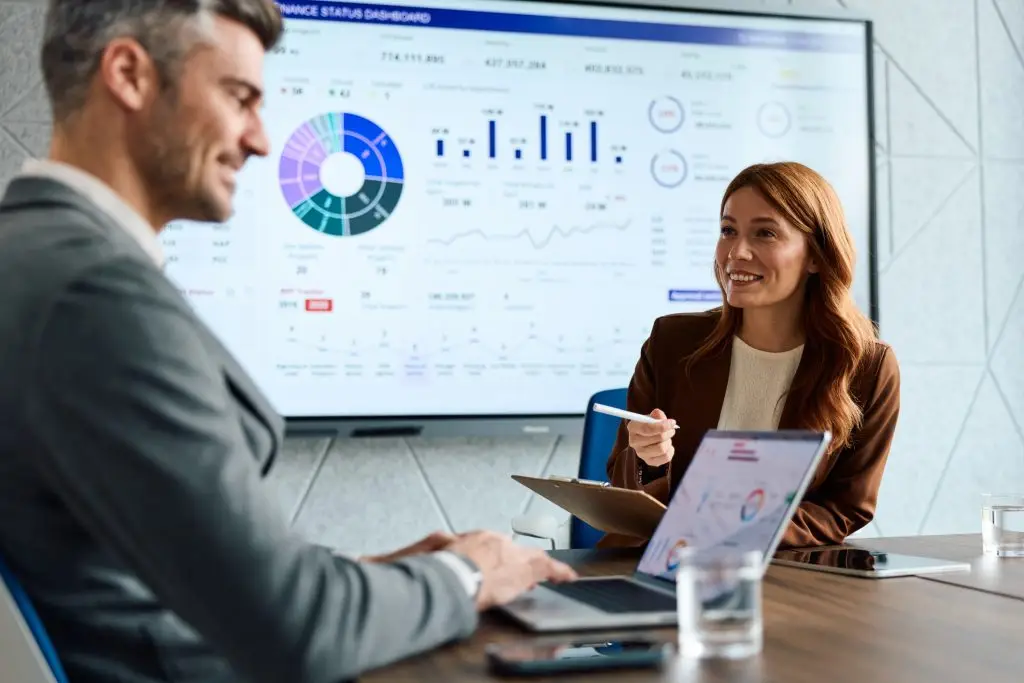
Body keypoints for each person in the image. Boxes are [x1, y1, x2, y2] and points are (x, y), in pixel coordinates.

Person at [0, 2, 574, 682]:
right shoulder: (95, 293)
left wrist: (371, 581)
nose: (261, 140)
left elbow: (136, 567)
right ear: (128, 74)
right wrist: (465, 573)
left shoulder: (28, 254)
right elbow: (296, 632)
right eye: (238, 97)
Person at [605, 161, 900, 549]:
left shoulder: (867, 367)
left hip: (779, 575)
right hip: (654, 567)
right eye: (728, 230)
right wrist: (648, 458)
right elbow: (624, 488)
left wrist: (738, 527)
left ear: (816, 255)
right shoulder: (672, 341)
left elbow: (845, 508)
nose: (737, 252)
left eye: (765, 233)